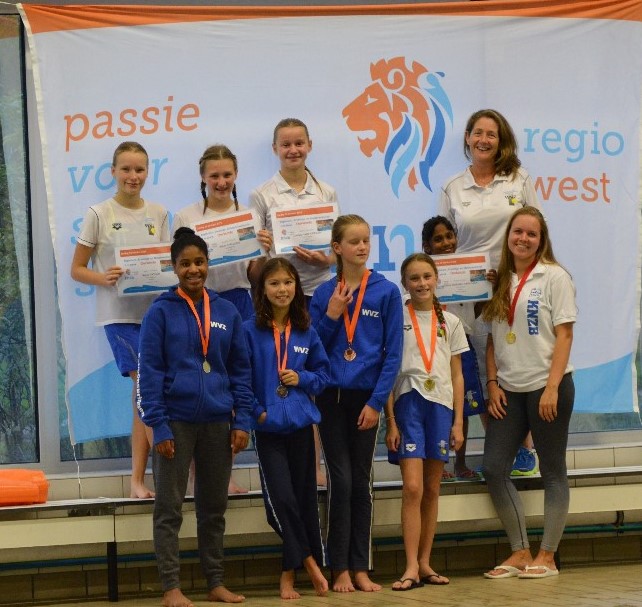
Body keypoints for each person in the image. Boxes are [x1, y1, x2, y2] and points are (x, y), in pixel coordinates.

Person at [137, 227, 253, 606]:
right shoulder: (160, 312)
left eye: (199, 262)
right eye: (185, 263)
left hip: (219, 422)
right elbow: (150, 372)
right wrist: (158, 424)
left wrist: (242, 420)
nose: (193, 269)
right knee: (169, 508)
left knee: (213, 507)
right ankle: (171, 587)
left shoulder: (226, 310)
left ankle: (215, 582)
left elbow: (240, 370)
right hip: (176, 422)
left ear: (208, 264)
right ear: (173, 267)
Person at [439, 108, 543, 476]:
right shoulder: (452, 188)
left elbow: (535, 232)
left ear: (501, 141)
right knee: (483, 375)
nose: (484, 139)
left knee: (518, 367)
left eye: (492, 134)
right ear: (467, 138)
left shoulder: (519, 180)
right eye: (477, 132)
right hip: (471, 298)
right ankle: (505, 448)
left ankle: (527, 449)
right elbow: (443, 248)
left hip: (515, 288)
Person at [309, 214, 403, 593]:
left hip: (366, 399)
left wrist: (378, 402)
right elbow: (311, 348)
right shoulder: (321, 293)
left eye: (366, 241)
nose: (362, 247)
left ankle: (361, 566)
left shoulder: (385, 291)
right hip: (330, 398)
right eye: (354, 241)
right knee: (341, 480)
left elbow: (392, 354)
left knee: (361, 483)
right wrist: (332, 315)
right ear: (337, 248)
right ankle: (339, 567)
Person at [70, 141, 169, 499]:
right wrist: (104, 278)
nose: (133, 176)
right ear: (113, 172)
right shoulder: (98, 213)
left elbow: (166, 265)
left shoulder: (158, 213)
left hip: (155, 315)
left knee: (148, 394)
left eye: (139, 169)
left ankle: (148, 478)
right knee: (145, 389)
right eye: (126, 169)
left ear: (148, 171)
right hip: (119, 316)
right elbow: (77, 269)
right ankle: (145, 479)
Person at [481, 207, 575, 579]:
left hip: (547, 387)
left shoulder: (554, 277)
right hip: (510, 391)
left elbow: (565, 335)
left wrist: (552, 387)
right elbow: (490, 339)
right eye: (517, 232)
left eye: (531, 234)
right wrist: (492, 384)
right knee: (493, 467)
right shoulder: (499, 279)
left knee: (553, 471)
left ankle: (547, 556)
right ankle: (520, 551)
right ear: (508, 236)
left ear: (541, 240)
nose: (523, 239)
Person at [173, 144, 271, 494]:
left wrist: (265, 249)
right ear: (202, 177)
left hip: (237, 304)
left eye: (227, 175)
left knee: (232, 385)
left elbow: (256, 275)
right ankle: (198, 473)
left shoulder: (248, 216)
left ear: (236, 176)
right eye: (214, 175)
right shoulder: (186, 217)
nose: (221, 181)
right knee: (204, 383)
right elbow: (181, 268)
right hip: (198, 305)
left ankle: (223, 471)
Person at [250, 117, 338, 486]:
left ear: (310, 145)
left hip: (318, 291)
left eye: (299, 143)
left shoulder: (327, 192)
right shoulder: (262, 195)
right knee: (280, 374)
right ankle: (283, 457)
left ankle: (316, 462)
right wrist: (265, 247)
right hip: (282, 296)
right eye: (285, 144)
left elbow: (337, 250)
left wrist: (326, 260)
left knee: (314, 376)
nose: (293, 150)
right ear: (275, 149)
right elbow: (255, 262)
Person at [243, 257, 330, 600]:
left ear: (297, 287)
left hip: (300, 428)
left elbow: (322, 376)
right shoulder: (250, 330)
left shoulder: (307, 331)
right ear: (262, 290)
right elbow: (241, 378)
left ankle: (287, 576)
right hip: (268, 431)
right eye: (275, 283)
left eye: (288, 282)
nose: (282, 289)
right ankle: (309, 561)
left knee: (302, 501)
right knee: (280, 501)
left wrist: (301, 378)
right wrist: (257, 413)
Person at [385, 253, 466, 591]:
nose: (421, 283)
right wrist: (390, 420)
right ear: (404, 283)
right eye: (414, 278)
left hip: (441, 408)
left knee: (432, 488)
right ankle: (408, 567)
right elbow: (388, 371)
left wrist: (459, 421)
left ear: (436, 279)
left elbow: (457, 375)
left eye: (426, 277)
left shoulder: (451, 321)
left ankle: (424, 563)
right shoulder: (396, 318)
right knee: (413, 488)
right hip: (408, 405)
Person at [422, 215, 494, 480]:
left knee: (461, 408)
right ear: (427, 246)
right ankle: (437, 464)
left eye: (449, 236)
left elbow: (476, 316)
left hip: (462, 347)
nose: (446, 243)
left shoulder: (468, 269)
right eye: (438, 239)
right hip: (433, 349)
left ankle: (459, 463)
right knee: (436, 405)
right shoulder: (423, 272)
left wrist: (487, 287)